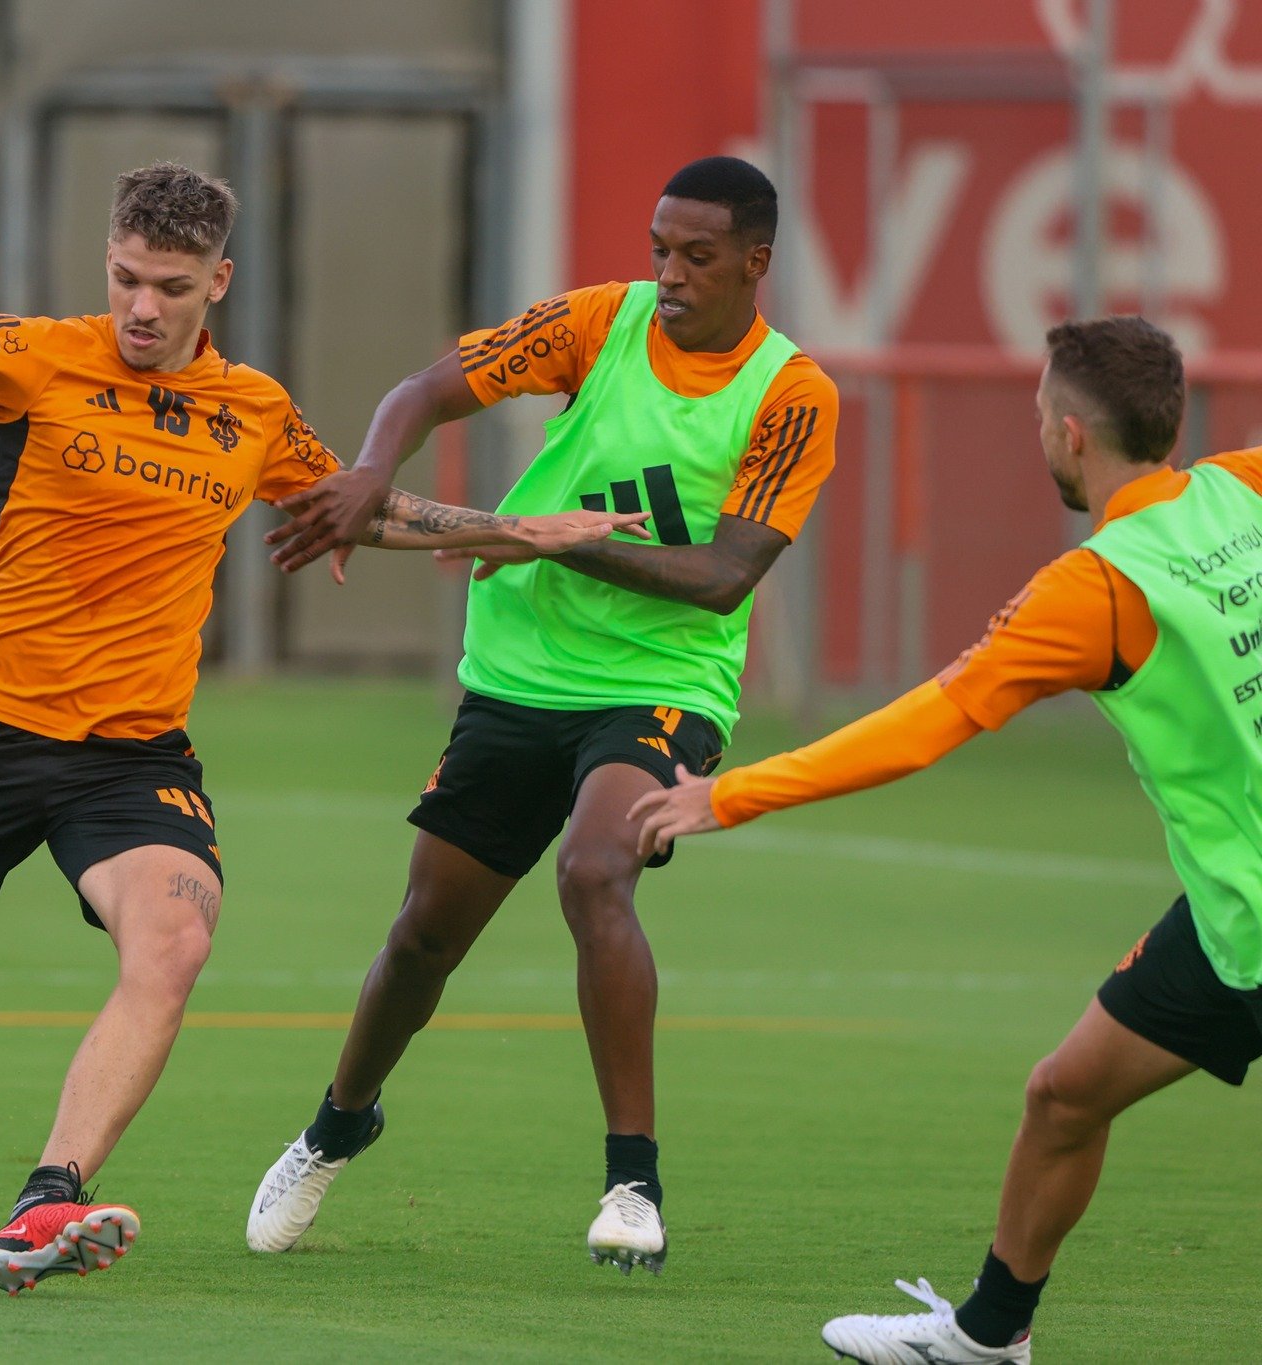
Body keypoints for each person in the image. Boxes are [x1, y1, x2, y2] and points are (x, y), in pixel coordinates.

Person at [0, 162, 645, 1296]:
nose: (141, 307)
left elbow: (354, 503)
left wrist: (514, 531)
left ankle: (47, 1199)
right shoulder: (30, 355)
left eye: (169, 286)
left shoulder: (250, 411)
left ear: (218, 282)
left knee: (173, 946)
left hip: (133, 757)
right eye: (124, 279)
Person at [248, 155, 840, 1272]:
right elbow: (425, 390)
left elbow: (722, 577)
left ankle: (631, 1181)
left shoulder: (791, 394)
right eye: (658, 249)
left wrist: (571, 538)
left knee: (593, 868)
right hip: (517, 670)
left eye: (696, 257)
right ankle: (334, 1127)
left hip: (662, 684)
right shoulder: (594, 323)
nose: (666, 275)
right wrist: (376, 469)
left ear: (754, 263)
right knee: (425, 932)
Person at [631, 315, 1262, 1362]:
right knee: (1063, 1095)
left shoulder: (1095, 589)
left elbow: (922, 725)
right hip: (1223, 919)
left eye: (1033, 419)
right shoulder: (1242, 485)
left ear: (1067, 435)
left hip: (1249, 920)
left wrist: (729, 795)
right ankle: (984, 1336)